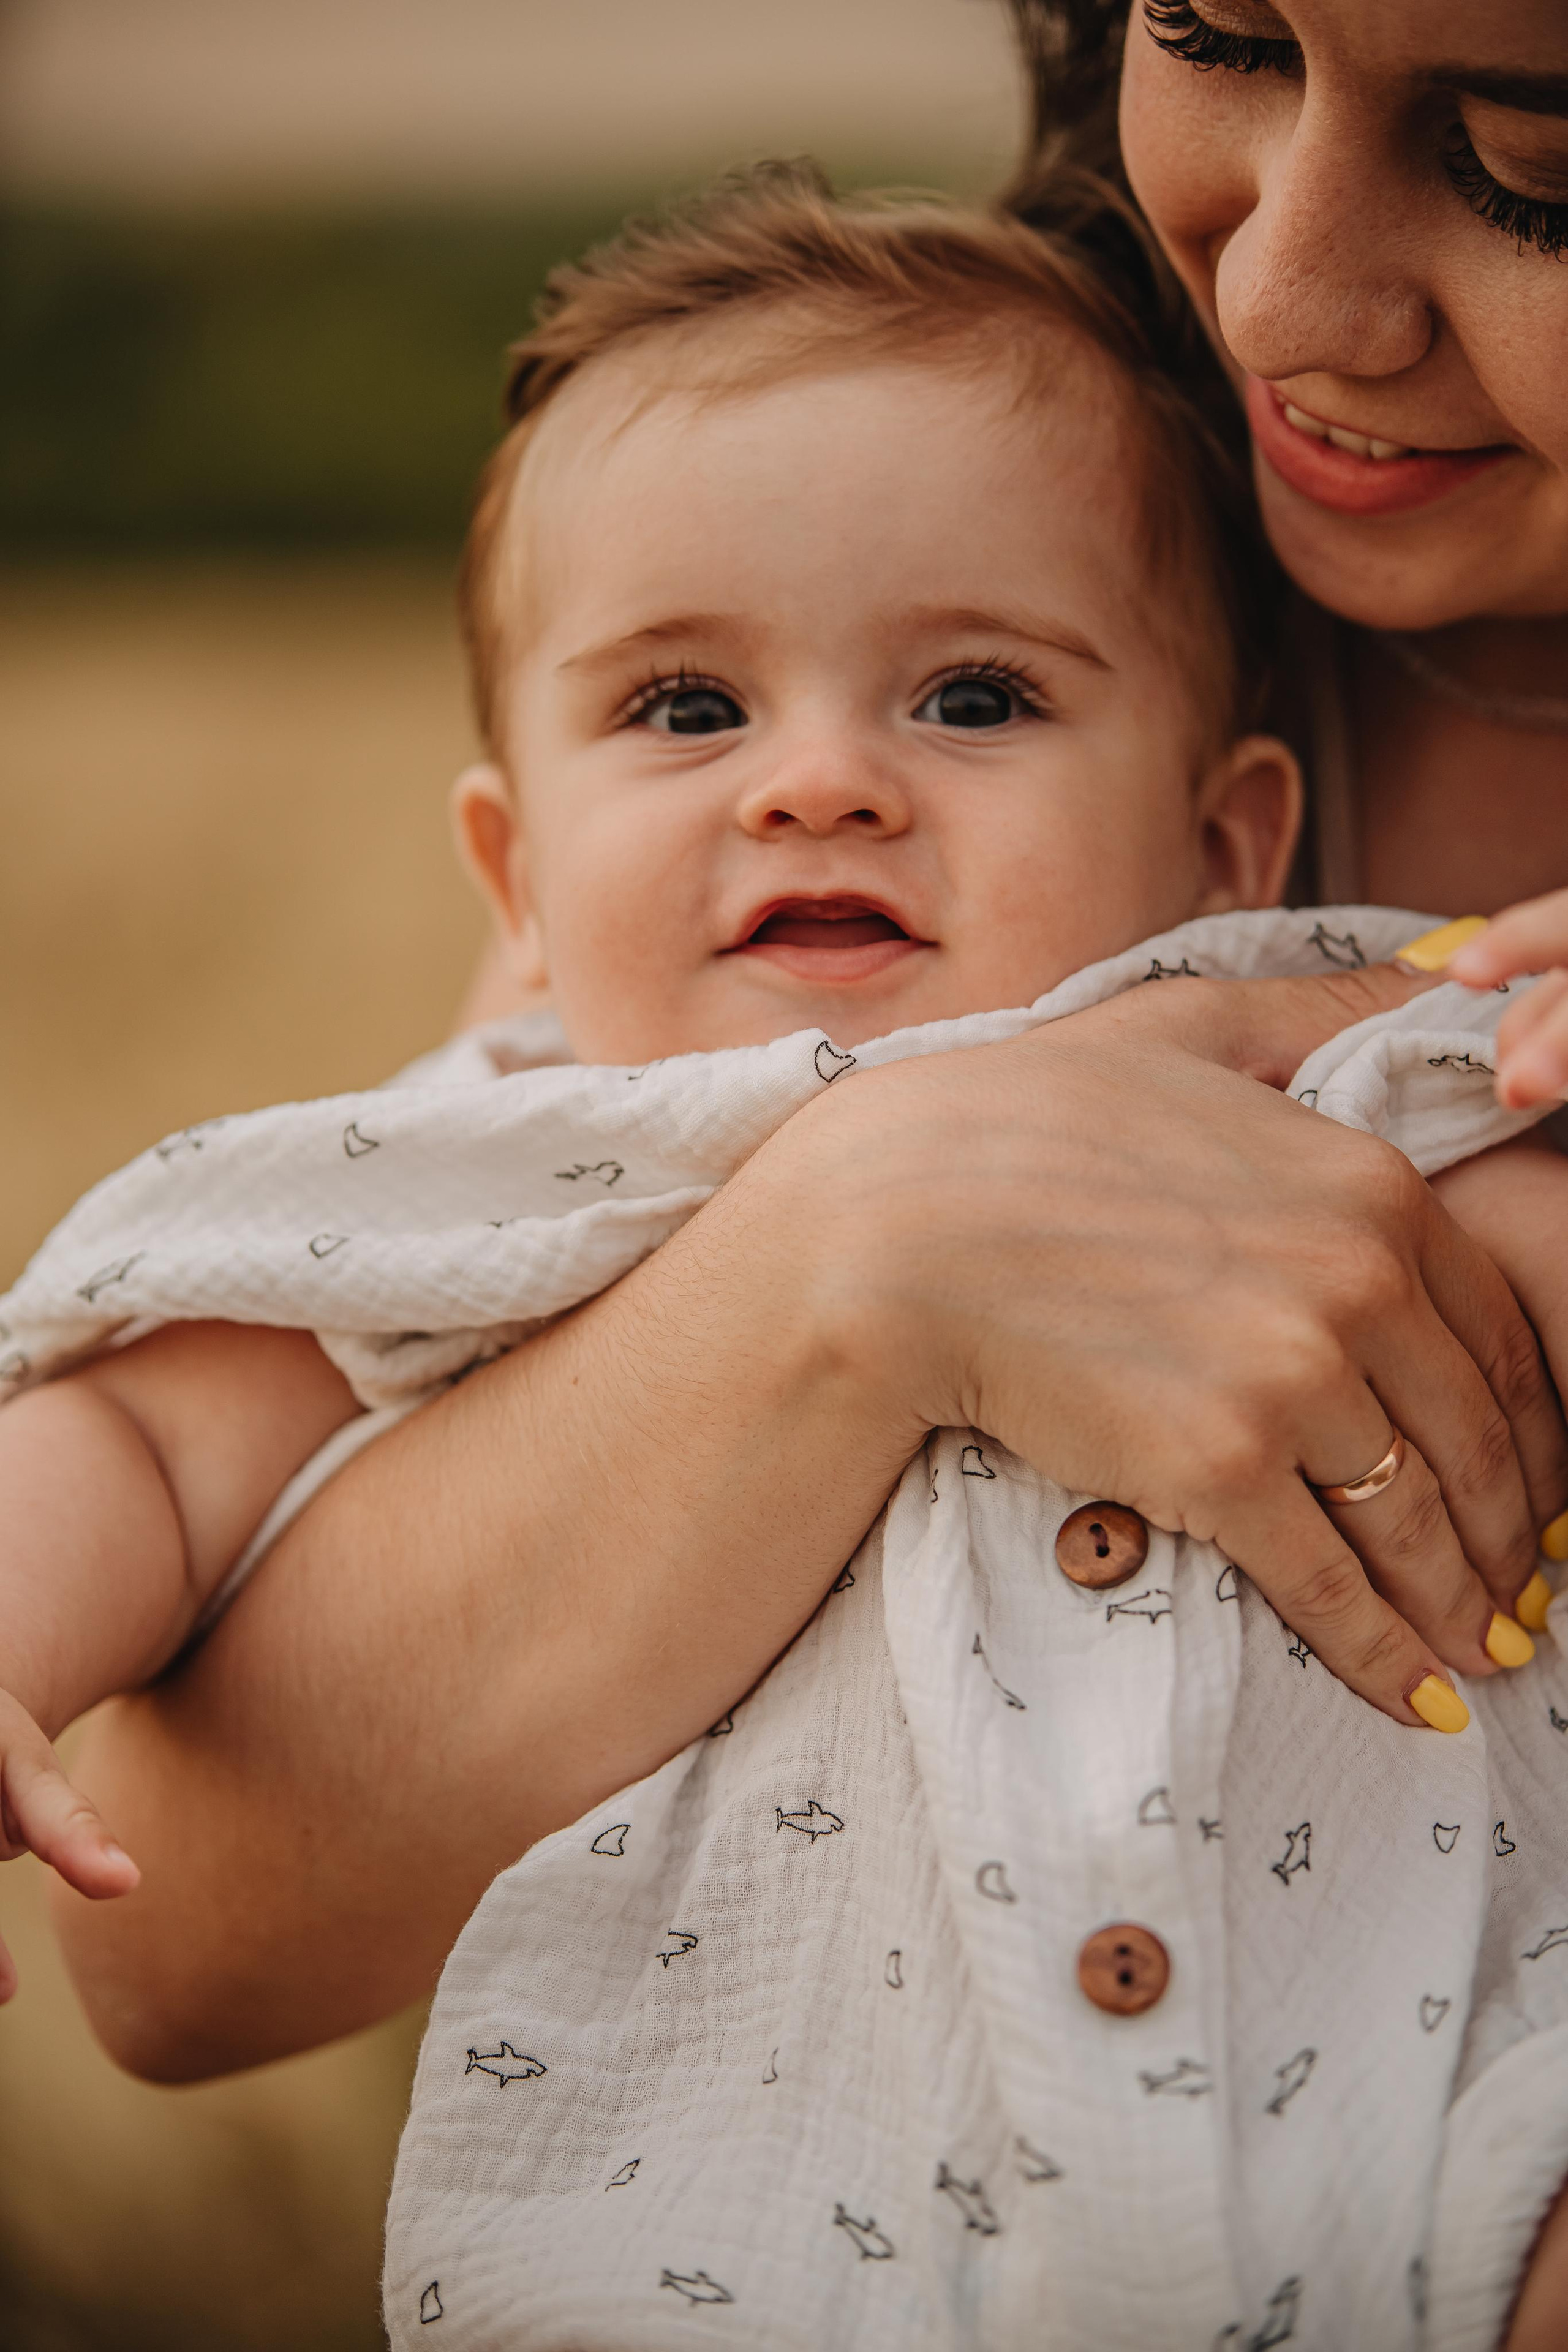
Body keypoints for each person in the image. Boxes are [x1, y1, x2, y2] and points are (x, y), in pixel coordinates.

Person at [37, 4, 1568, 2321]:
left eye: (1535, 158)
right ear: (516, 874)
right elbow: (168, 1833)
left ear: (1226, 827)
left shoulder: (1403, 1037)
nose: (817, 781)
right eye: (1223, 31)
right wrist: (861, 1247)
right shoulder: (587, 1109)